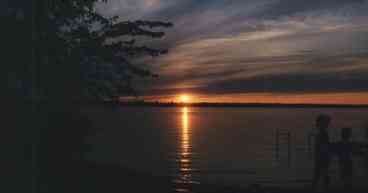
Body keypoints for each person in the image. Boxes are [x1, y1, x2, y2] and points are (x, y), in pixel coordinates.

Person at [312, 114, 331, 191]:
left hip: (322, 156)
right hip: (321, 156)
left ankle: (319, 187)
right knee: (321, 173)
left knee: (320, 173)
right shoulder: (322, 133)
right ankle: (321, 187)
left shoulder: (323, 134)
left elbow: (324, 146)